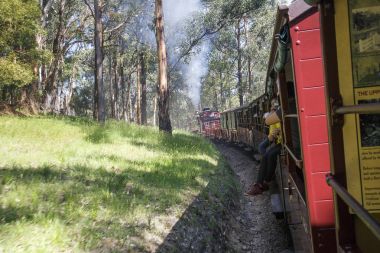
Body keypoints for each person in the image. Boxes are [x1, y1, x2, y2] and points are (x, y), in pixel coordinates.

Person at [246, 107, 282, 196]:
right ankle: (259, 184)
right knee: (266, 155)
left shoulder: (281, 110)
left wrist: (279, 132)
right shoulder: (279, 111)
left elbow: (268, 121)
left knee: (270, 155)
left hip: (284, 143)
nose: (273, 107)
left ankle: (265, 181)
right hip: (280, 141)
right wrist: (276, 134)